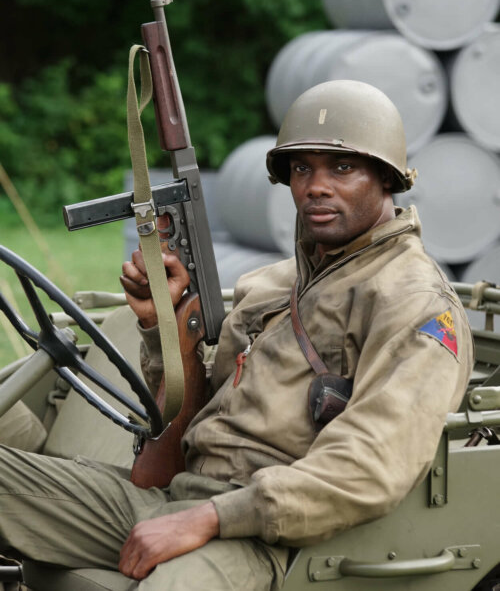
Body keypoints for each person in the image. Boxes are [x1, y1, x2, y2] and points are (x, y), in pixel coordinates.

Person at [0, 80, 473, 590]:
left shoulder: (414, 303)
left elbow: (373, 462)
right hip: (177, 497)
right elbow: (193, 416)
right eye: (301, 168)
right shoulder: (270, 285)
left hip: (265, 536)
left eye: (342, 167)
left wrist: (210, 518)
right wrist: (166, 328)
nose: (316, 186)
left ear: (387, 179)